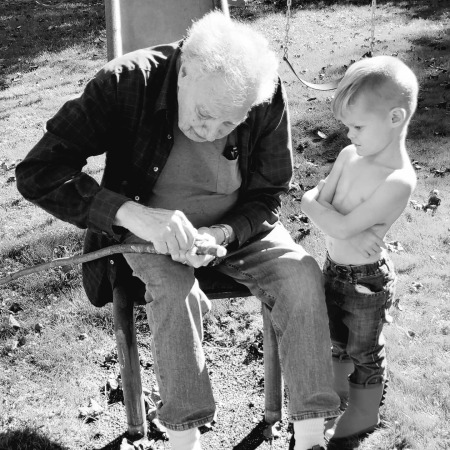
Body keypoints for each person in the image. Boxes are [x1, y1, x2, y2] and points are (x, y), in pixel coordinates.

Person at [16, 11, 340, 450]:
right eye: (205, 115)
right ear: (185, 70)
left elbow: (269, 193)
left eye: (228, 125)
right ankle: (185, 440)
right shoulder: (124, 83)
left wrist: (224, 233)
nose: (211, 134)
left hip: (237, 231)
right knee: (173, 290)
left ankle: (309, 438)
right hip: (146, 231)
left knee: (300, 272)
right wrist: (133, 215)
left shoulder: (264, 93)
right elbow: (39, 171)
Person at [301, 55, 418, 446]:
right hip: (334, 266)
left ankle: (365, 410)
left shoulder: (398, 180)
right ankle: (341, 394)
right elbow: (312, 200)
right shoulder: (351, 155)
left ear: (395, 117)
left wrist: (324, 211)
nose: (349, 135)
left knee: (364, 349)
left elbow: (334, 218)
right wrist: (316, 205)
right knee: (335, 338)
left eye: (357, 126)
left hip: (367, 280)